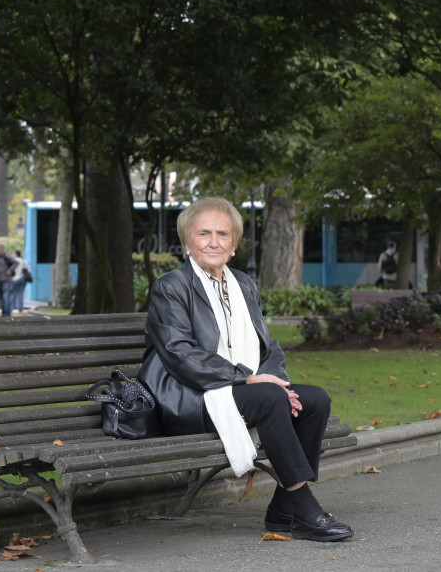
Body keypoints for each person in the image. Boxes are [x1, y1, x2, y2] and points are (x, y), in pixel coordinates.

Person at [137, 197, 353, 542]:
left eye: (223, 234)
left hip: (239, 391)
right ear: (187, 242)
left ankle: (283, 510)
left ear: (234, 244)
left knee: (314, 399)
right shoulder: (171, 287)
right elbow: (180, 354)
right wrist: (248, 378)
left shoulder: (243, 284)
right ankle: (303, 507)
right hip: (189, 397)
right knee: (268, 397)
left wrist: (280, 383)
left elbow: (267, 345)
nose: (213, 241)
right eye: (204, 233)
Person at [9, 249, 29, 314]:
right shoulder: (24, 261)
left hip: (14, 279)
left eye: (13, 254)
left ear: (16, 254)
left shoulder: (13, 261)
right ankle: (20, 308)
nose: (13, 255)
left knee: (13, 293)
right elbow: (28, 269)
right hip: (22, 279)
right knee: (20, 293)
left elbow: (10, 270)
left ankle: (12, 308)